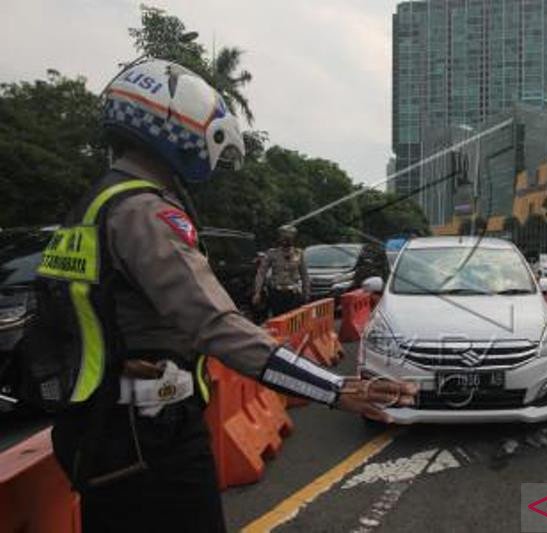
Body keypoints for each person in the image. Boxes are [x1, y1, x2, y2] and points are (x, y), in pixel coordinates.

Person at [38, 59, 415, 533]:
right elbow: (215, 323)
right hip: (148, 439)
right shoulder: (146, 213)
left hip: (96, 426)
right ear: (176, 130)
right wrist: (334, 388)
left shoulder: (92, 205)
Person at [252, 225, 310, 316]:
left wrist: (306, 292)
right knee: (278, 318)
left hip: (293, 294)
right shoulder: (272, 253)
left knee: (294, 320)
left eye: (288, 238)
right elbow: (261, 273)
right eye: (283, 238)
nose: (285, 241)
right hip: (277, 293)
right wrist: (257, 292)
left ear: (293, 239)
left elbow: (304, 275)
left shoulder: (298, 253)